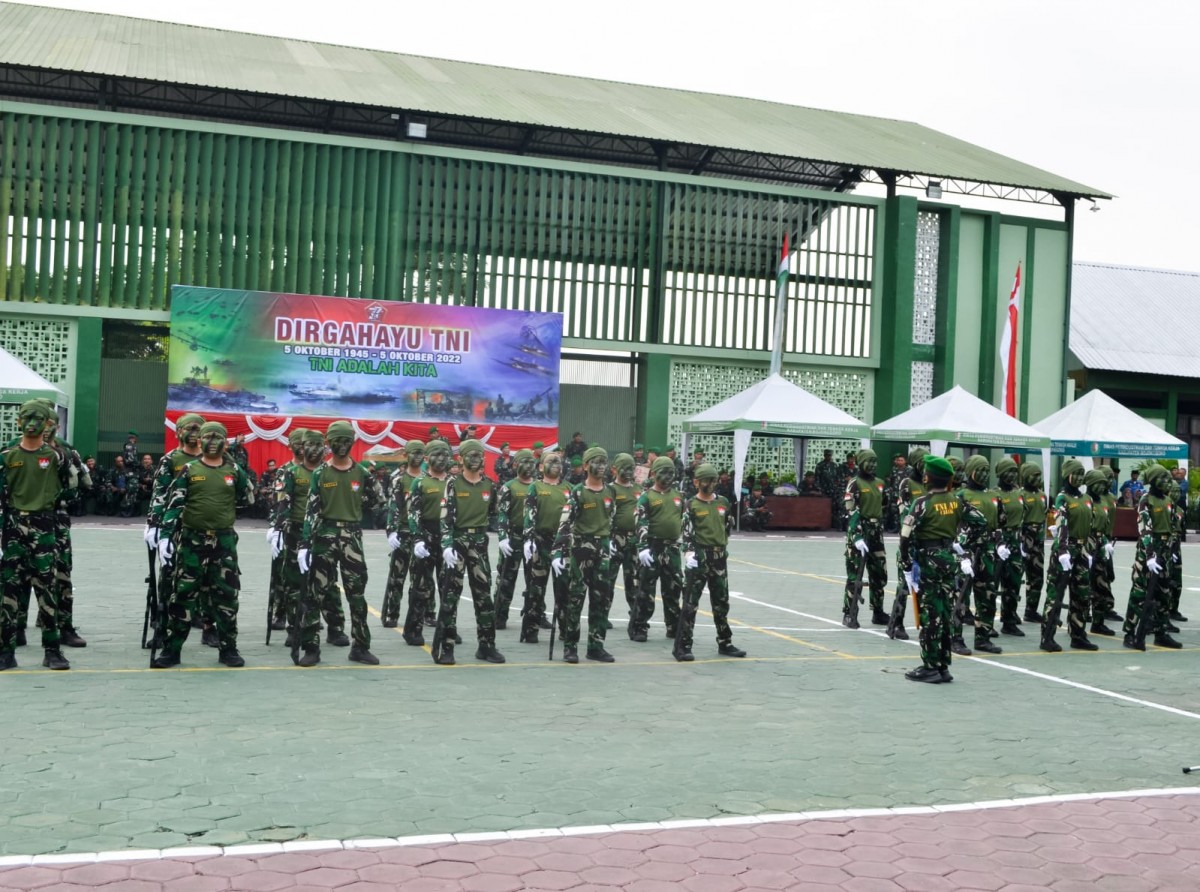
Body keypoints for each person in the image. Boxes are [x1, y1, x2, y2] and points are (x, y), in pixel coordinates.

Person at [152, 421, 254, 668]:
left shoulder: (234, 470)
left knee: (227, 596)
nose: (211, 441)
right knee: (183, 595)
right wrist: (165, 535)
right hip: (192, 541)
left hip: (224, 542)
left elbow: (249, 497)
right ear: (200, 441)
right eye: (207, 436)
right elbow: (174, 504)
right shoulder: (188, 469)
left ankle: (228, 650)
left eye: (217, 437)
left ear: (224, 442)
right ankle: (172, 650)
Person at [297, 421, 382, 666]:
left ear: (353, 442)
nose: (342, 445)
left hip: (352, 537)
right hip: (324, 535)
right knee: (316, 593)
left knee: (357, 594)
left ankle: (361, 646)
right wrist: (305, 542)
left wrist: (357, 507)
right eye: (337, 440)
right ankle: (311, 647)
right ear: (329, 443)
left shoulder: (362, 473)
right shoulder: (320, 473)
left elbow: (378, 500)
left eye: (347, 440)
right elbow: (311, 510)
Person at [897, 455, 985, 684]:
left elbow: (905, 536)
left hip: (928, 560)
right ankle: (944, 665)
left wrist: (906, 563)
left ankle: (930, 666)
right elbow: (980, 521)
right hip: (949, 558)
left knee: (929, 614)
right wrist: (960, 541)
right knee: (945, 611)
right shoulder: (957, 500)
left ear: (928, 477)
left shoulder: (922, 503)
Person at [0, 400, 72, 670]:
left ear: (47, 424)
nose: (32, 422)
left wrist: (51, 504)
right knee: (8, 589)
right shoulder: (6, 455)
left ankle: (52, 650)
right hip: (13, 525)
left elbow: (71, 487)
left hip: (45, 526)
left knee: (47, 588)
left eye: (38, 418)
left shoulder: (56, 456)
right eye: (26, 417)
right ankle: (6, 651)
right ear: (18, 421)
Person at [144, 413, 217, 648]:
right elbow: (160, 494)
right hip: (175, 528)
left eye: (199, 429)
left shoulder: (214, 459)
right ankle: (162, 629)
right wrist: (154, 524)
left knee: (209, 582)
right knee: (169, 580)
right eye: (190, 428)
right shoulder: (170, 460)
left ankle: (209, 627)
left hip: (207, 528)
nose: (195, 433)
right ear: (179, 432)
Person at [435, 438, 504, 665]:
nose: (476, 459)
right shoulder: (453, 484)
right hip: (457, 542)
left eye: (479, 455)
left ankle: (487, 645)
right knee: (451, 597)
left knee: (484, 596)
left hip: (480, 543)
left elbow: (496, 513)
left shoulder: (489, 485)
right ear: (460, 458)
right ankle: (446, 647)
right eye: (471, 455)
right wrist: (446, 545)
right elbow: (445, 518)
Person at [550, 445, 616, 663]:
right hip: (580, 548)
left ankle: (596, 646)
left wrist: (610, 540)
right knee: (576, 598)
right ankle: (570, 647)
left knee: (601, 598)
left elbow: (611, 518)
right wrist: (559, 551)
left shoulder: (610, 491)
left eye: (604, 462)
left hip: (603, 549)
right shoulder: (578, 492)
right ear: (586, 466)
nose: (601, 466)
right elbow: (565, 523)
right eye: (596, 462)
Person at [676, 462, 746, 661]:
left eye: (713, 480)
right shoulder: (691, 505)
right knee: (690, 604)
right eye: (707, 480)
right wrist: (688, 553)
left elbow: (726, 528)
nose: (710, 484)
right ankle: (683, 646)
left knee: (721, 602)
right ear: (697, 482)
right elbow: (687, 533)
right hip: (699, 557)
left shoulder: (723, 502)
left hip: (718, 558)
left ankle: (725, 642)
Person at [1121, 463, 1182, 650]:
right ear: (1154, 481)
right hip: (1149, 550)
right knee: (1140, 592)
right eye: (1163, 479)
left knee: (1164, 592)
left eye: (1167, 479)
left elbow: (1172, 527)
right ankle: (1130, 632)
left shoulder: (1168, 501)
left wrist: (1170, 550)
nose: (1167, 482)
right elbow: (1144, 529)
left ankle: (1161, 632)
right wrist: (1149, 555)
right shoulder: (1146, 500)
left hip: (1164, 550)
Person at [1040, 459, 1097, 653]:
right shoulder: (1062, 498)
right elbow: (1061, 524)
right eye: (1076, 473)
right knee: (1055, 595)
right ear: (1067, 475)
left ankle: (1078, 635)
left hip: (1082, 549)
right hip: (1065, 550)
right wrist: (1063, 550)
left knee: (1082, 594)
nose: (1080, 477)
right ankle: (1047, 637)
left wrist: (1088, 550)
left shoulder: (1087, 499)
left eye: (1082, 474)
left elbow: (1090, 526)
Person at [266, 428, 314, 653]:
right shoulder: (286, 470)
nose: (302, 447)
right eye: (298, 443)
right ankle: (282, 614)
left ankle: (313, 622)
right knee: (285, 577)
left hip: (313, 530)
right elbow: (278, 501)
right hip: (289, 529)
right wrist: (275, 528)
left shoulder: (319, 470)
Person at [631, 456, 685, 641]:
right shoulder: (647, 497)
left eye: (671, 472)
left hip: (672, 549)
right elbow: (640, 523)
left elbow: (684, 522)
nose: (668, 476)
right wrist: (643, 546)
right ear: (654, 474)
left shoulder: (678, 497)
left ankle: (673, 626)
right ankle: (639, 627)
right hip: (652, 548)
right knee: (646, 590)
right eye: (664, 472)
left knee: (673, 589)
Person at [405, 439, 455, 644]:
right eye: (436, 454)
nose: (441, 459)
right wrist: (417, 539)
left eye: (445, 455)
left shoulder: (454, 483)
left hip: (448, 540)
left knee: (448, 586)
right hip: (426, 537)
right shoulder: (420, 483)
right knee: (422, 588)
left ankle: (448, 629)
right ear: (427, 458)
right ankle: (413, 629)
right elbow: (413, 513)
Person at [957, 456, 1005, 656]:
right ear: (970, 472)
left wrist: (1001, 543)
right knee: (961, 596)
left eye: (987, 470)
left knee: (987, 595)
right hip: (967, 550)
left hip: (987, 551)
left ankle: (982, 637)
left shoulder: (994, 496)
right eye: (980, 470)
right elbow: (956, 524)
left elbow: (1001, 523)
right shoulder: (961, 495)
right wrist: (961, 553)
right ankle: (955, 637)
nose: (985, 474)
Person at [520, 451, 569, 643]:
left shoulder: (569, 489)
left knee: (564, 588)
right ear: (541, 467)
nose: (556, 464)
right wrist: (528, 539)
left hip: (562, 543)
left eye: (558, 462)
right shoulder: (535, 487)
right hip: (540, 541)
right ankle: (530, 629)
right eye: (551, 461)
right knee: (536, 589)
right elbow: (529, 514)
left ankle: (566, 630)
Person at [380, 441, 424, 631]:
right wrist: (391, 531)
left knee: (421, 578)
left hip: (421, 535)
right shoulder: (399, 479)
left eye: (420, 453)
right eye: (413, 453)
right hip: (403, 533)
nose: (417, 456)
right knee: (397, 577)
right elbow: (394, 506)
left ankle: (424, 614)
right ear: (406, 455)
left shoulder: (427, 479)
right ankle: (392, 612)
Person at [842, 448, 888, 628]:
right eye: (870, 461)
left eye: (875, 461)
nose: (873, 465)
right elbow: (851, 511)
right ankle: (849, 613)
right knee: (855, 575)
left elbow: (883, 505)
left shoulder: (880, 483)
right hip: (860, 531)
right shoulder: (854, 483)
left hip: (876, 532)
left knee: (879, 574)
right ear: (861, 462)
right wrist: (857, 536)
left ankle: (878, 611)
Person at [886, 447, 927, 641]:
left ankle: (925, 625)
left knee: (925, 586)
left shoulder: (930, 484)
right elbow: (905, 512)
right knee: (905, 585)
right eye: (922, 462)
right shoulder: (906, 483)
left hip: (926, 542)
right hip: (910, 540)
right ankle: (895, 624)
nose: (925, 467)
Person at [493, 448, 537, 631]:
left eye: (531, 462)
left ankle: (535, 614)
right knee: (506, 579)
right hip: (513, 537)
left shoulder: (539, 486)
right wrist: (503, 538)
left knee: (535, 580)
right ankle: (499, 615)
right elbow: (502, 513)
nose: (528, 466)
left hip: (533, 539)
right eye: (524, 462)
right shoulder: (509, 486)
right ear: (516, 464)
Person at [604, 453, 642, 638]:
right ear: (614, 470)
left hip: (634, 541)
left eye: (631, 467)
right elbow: (604, 515)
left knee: (634, 581)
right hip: (614, 539)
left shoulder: (638, 489)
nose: (628, 471)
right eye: (624, 467)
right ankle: (602, 615)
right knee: (607, 580)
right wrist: (607, 537)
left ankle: (636, 618)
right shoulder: (609, 489)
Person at [993, 458, 1026, 637]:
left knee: (1013, 583)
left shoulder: (1018, 493)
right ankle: (986, 623)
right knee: (992, 583)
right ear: (1000, 474)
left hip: (1015, 540)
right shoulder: (994, 494)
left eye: (1015, 471)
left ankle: (1009, 620)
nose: (1013, 475)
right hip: (999, 541)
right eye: (1009, 471)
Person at [1083, 469, 1118, 638]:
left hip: (1101, 543)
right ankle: (1079, 623)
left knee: (1102, 584)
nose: (1103, 486)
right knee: (1083, 585)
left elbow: (1106, 525)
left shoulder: (1105, 502)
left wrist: (1106, 542)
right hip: (1086, 544)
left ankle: (1098, 622)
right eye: (1100, 482)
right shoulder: (1084, 501)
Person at [1019, 462, 1049, 624]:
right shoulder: (1020, 495)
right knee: (1016, 577)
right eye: (1034, 475)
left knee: (1037, 576)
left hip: (1038, 541)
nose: (1038, 478)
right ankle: (1009, 613)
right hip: (1024, 538)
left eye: (1039, 475)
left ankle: (1031, 610)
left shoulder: (1043, 495)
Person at [815, 449, 842, 529]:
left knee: (834, 508)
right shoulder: (820, 465)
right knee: (824, 508)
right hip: (824, 490)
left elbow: (838, 478)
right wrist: (820, 489)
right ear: (824, 455)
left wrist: (837, 488)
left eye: (829, 455)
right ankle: (823, 524)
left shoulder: (834, 465)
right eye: (827, 455)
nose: (828, 457)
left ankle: (834, 524)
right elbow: (817, 479)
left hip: (833, 491)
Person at [884, 455, 908, 533]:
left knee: (904, 510)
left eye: (901, 460)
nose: (899, 462)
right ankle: (896, 527)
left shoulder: (909, 470)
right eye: (898, 460)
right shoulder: (894, 470)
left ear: (905, 461)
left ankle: (903, 527)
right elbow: (891, 481)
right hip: (895, 494)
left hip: (904, 494)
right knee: (894, 511)